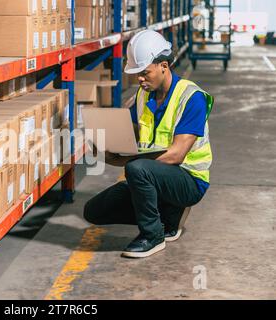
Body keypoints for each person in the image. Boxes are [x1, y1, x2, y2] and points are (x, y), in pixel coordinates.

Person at [83, 30, 214, 258]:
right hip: (155, 175)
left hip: (189, 180)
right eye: (136, 74)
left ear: (163, 65)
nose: (139, 80)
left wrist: (134, 166)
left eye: (144, 73)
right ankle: (168, 215)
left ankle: (152, 236)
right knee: (94, 211)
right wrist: (105, 152)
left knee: (137, 169)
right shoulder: (143, 97)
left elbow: (176, 155)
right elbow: (132, 144)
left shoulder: (191, 97)